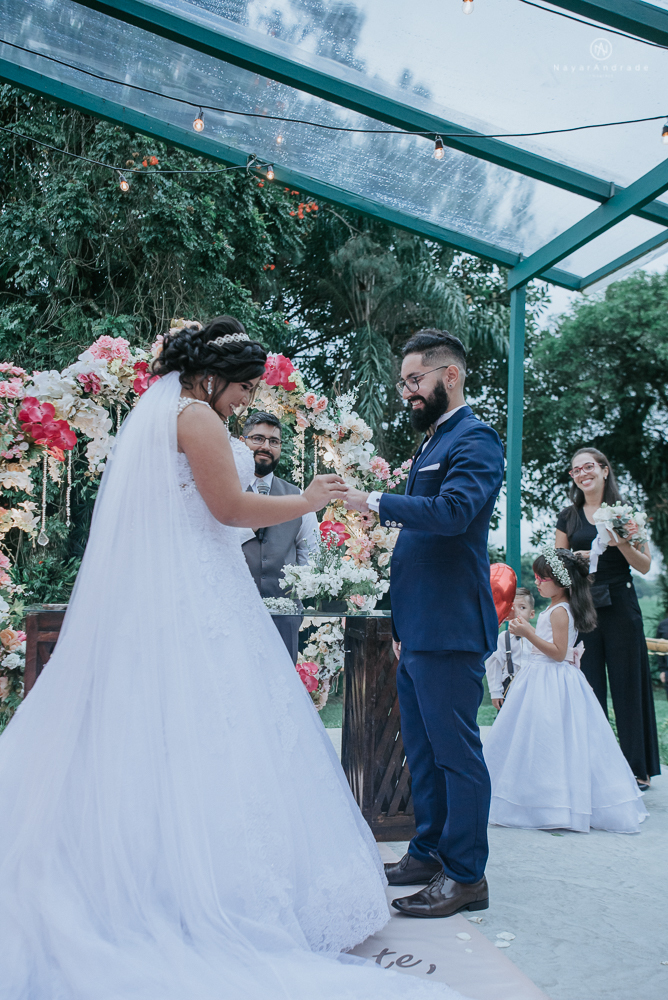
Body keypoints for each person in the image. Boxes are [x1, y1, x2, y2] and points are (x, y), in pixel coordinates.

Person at [0, 317, 467, 1000]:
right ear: (212, 378)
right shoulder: (193, 417)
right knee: (217, 730)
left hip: (194, 588)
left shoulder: (172, 413)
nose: (244, 403)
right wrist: (306, 502)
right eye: (243, 391)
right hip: (197, 594)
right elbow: (224, 508)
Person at [346, 329, 504, 919]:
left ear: (451, 375)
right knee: (423, 751)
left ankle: (466, 876)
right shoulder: (433, 440)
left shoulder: (476, 439)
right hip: (418, 629)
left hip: (452, 628)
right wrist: (400, 625)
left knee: (456, 754)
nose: (408, 392)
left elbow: (454, 514)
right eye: (405, 382)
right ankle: (427, 852)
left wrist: (377, 501)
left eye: (417, 380)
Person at [483, 547, 648, 833]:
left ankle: (553, 803)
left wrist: (528, 633)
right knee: (533, 736)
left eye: (542, 577)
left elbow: (559, 653)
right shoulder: (554, 608)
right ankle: (535, 795)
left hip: (551, 678)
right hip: (540, 677)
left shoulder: (561, 611)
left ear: (561, 582)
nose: (537, 582)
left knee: (551, 737)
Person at [555, 447, 660, 791]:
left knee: (628, 686)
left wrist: (620, 543)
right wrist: (577, 559)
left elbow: (645, 565)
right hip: (584, 610)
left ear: (604, 470)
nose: (582, 474)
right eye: (575, 470)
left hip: (621, 608)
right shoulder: (568, 517)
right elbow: (556, 566)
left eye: (588, 467)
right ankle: (592, 766)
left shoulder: (625, 514)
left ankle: (637, 769)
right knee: (588, 688)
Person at [241, 410, 319, 662]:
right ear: (243, 442)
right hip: (233, 614)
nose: (266, 446)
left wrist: (297, 602)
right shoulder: (224, 493)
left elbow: (311, 557)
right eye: (258, 439)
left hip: (284, 621)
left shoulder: (299, 498)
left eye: (274, 441)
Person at [485, 588, 535, 710]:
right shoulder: (503, 638)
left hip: (534, 687)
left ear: (532, 614)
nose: (517, 611)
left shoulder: (537, 638)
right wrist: (496, 692)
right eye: (512, 607)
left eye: (522, 607)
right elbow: (494, 665)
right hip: (510, 687)